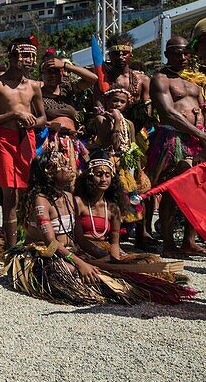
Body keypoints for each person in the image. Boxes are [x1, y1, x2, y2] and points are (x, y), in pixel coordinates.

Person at [2, 147, 194, 305]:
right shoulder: (41, 201)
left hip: (69, 252)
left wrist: (106, 257)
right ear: (49, 173)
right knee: (71, 272)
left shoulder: (68, 197)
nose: (71, 167)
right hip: (44, 254)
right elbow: (51, 244)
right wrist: (80, 263)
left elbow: (79, 239)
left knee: (120, 265)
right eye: (63, 165)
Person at [0, 38, 46, 248]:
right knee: (9, 194)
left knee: (26, 193)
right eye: (23, 55)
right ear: (11, 56)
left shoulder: (34, 86)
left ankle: (25, 242)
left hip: (27, 139)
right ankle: (11, 248)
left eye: (30, 56)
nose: (27, 60)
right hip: (5, 139)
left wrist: (31, 121)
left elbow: (42, 117)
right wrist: (13, 115)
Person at [148, 36, 206, 257]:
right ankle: (169, 243)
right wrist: (199, 133)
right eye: (176, 53)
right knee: (171, 190)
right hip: (173, 140)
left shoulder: (195, 83)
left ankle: (189, 242)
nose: (182, 57)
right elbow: (168, 113)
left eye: (185, 52)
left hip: (197, 140)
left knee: (196, 190)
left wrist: (202, 135)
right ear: (167, 55)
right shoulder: (160, 79)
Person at [87, 86, 151, 245]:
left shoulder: (129, 123)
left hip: (126, 165)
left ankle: (128, 233)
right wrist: (116, 121)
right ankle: (109, 233)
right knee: (112, 198)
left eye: (122, 102)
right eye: (114, 100)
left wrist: (137, 169)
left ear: (127, 104)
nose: (118, 104)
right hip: (109, 165)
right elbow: (112, 145)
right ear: (107, 101)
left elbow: (133, 146)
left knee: (130, 199)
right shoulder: (101, 120)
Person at [101, 34, 152, 128]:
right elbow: (99, 107)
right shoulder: (103, 79)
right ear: (109, 56)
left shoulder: (143, 79)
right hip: (108, 126)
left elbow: (147, 107)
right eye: (116, 54)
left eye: (124, 53)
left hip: (138, 128)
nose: (120, 57)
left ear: (131, 54)